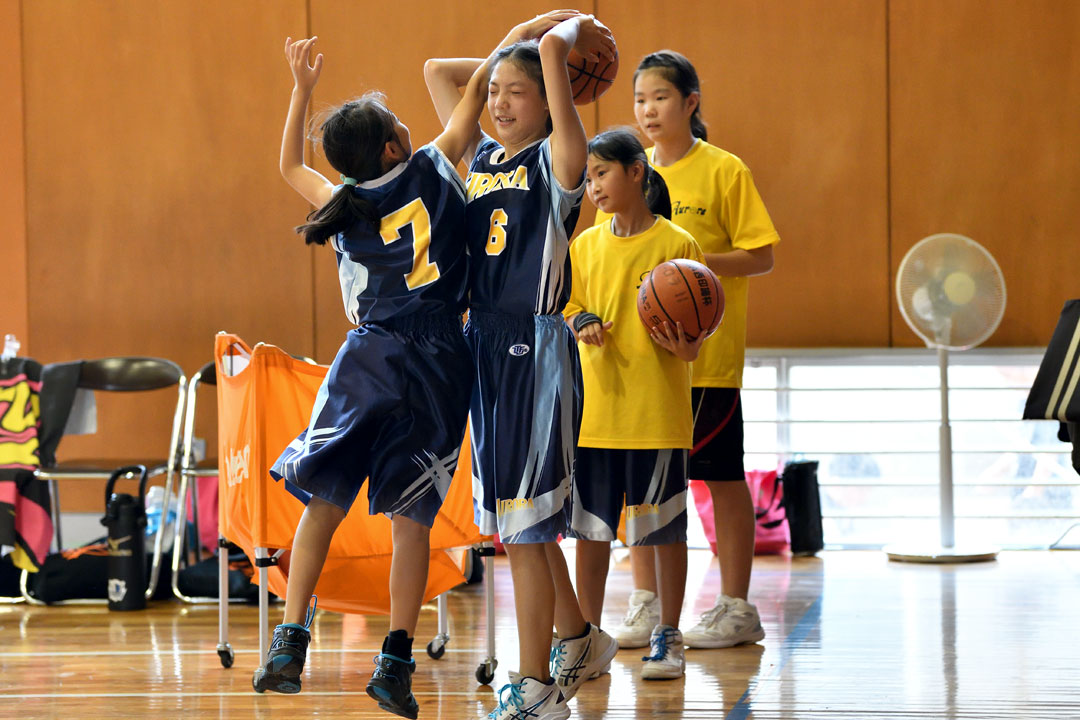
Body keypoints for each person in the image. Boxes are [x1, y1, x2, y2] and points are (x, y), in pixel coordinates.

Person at [251, 36, 490, 720]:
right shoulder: (434, 162)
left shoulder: (342, 201)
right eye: (395, 126)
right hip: (440, 359)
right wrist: (529, 35)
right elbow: (472, 95)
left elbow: (289, 161)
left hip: (369, 357)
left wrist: (301, 87)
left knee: (323, 505)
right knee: (411, 521)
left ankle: (289, 642)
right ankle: (395, 661)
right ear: (392, 148)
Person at [425, 12, 618, 720]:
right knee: (515, 523)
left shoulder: (559, 160)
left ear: (552, 99)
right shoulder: (480, 157)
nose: (499, 102)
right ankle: (579, 640)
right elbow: (440, 76)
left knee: (528, 530)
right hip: (483, 347)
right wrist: (520, 33)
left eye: (517, 92)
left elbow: (550, 65)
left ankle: (535, 684)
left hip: (534, 351)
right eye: (497, 91)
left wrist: (560, 34)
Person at [598, 50, 779, 651]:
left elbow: (762, 255)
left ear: (691, 103)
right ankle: (647, 604)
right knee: (642, 485)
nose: (648, 111)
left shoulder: (725, 171)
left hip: (707, 356)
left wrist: (689, 271)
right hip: (638, 362)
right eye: (639, 100)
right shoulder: (628, 172)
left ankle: (736, 605)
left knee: (719, 476)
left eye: (660, 98)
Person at [565, 127, 706, 680]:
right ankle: (587, 641)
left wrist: (691, 344)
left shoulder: (678, 245)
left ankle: (667, 636)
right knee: (591, 535)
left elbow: (703, 319)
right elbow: (568, 303)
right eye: (589, 176)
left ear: (636, 172)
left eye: (602, 173)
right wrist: (581, 320)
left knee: (664, 532)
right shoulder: (585, 246)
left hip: (657, 416)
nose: (593, 185)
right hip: (595, 418)